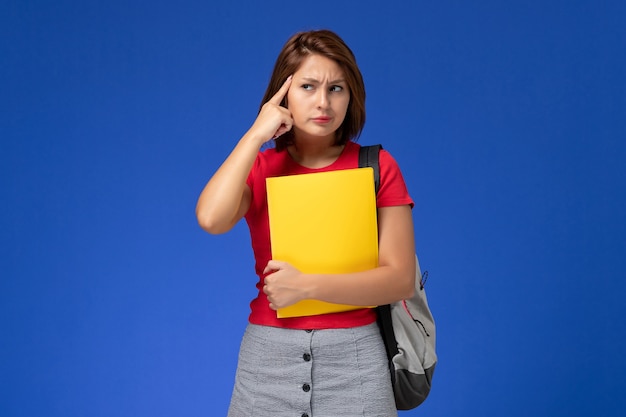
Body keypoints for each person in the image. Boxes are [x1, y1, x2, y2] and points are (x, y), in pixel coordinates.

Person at [196, 29, 416, 417]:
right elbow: (211, 219)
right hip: (267, 361)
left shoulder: (378, 167)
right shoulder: (261, 168)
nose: (323, 102)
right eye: (308, 86)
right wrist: (255, 135)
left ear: (352, 97)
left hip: (357, 362)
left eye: (336, 89)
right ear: (282, 95)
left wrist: (306, 286)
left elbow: (399, 279)